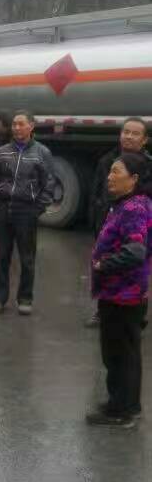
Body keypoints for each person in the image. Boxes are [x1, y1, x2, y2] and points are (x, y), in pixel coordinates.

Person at [86, 152, 152, 429]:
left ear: (133, 179)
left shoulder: (134, 208)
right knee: (125, 353)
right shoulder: (128, 204)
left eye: (116, 172)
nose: (109, 177)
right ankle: (125, 404)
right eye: (110, 171)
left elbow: (136, 251)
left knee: (119, 355)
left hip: (123, 295)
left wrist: (103, 264)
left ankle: (120, 411)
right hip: (123, 294)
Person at [86, 117, 152, 327]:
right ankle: (102, 310)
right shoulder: (107, 160)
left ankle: (137, 314)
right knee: (105, 269)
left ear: (144, 140)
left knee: (136, 269)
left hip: (137, 229)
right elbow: (96, 193)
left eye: (135, 133)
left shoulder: (148, 166)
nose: (129, 137)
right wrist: (96, 221)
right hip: (108, 224)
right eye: (126, 132)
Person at [0, 111, 55, 316]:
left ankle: (25, 299)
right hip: (3, 211)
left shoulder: (42, 153)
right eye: (14, 124)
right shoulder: (2, 151)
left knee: (27, 259)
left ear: (31, 126)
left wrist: (36, 209)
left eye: (21, 124)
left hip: (26, 212)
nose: (17, 128)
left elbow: (48, 184)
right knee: (1, 256)